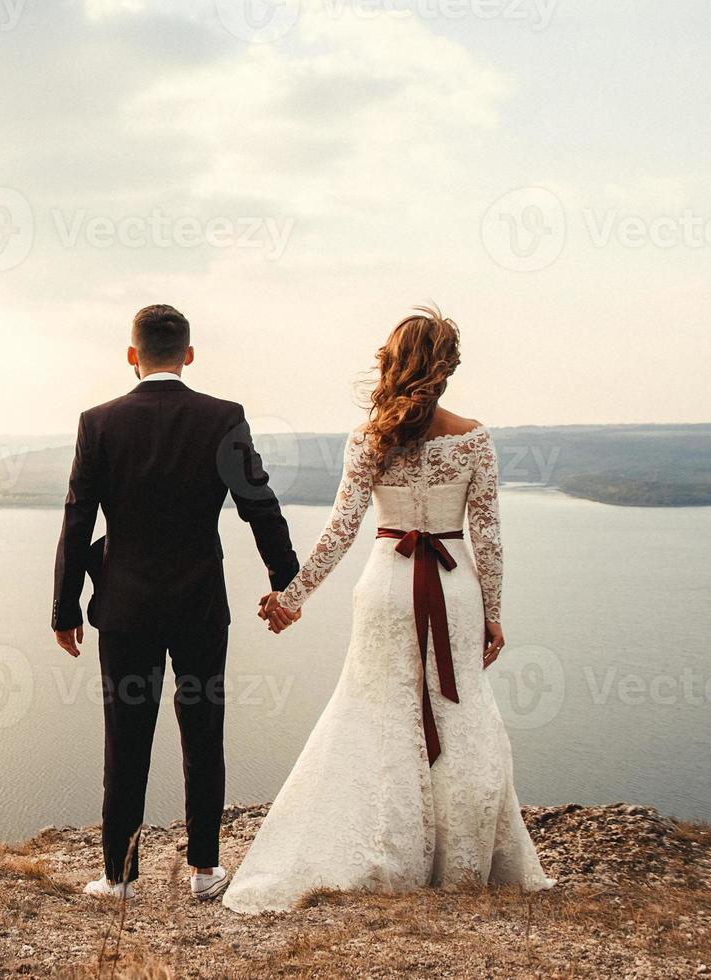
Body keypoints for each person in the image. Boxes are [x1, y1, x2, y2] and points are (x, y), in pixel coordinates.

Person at [224, 306, 554, 914]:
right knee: (461, 712)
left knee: (376, 713)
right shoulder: (475, 438)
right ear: (448, 368)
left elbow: (341, 532)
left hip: (385, 587)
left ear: (393, 364)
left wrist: (289, 600)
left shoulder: (369, 438)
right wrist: (495, 612)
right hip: (454, 590)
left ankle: (384, 849)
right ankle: (461, 862)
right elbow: (488, 538)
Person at [51, 303, 299, 901]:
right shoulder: (223, 417)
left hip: (126, 608)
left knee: (125, 737)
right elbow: (259, 506)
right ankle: (206, 871)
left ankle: (119, 877)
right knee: (204, 731)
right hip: (200, 606)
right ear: (188, 355)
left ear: (132, 356)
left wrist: (64, 608)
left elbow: (78, 519)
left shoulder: (98, 423)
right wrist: (286, 583)